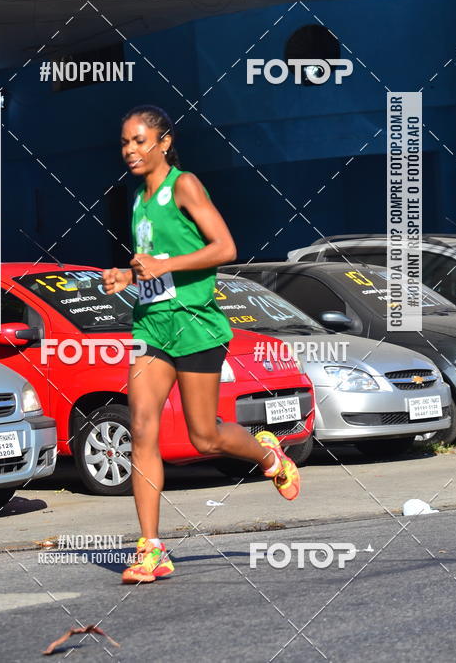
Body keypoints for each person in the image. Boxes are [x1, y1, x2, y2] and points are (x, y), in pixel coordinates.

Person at [102, 105, 300, 584]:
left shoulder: (183, 185)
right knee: (143, 428)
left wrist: (165, 267)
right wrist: (126, 275)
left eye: (140, 140)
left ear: (164, 142)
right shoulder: (136, 198)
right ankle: (151, 548)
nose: (130, 149)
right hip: (152, 325)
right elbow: (155, 263)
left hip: (195, 324)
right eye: (125, 141)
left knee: (204, 435)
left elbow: (225, 249)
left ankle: (270, 455)